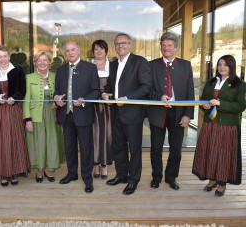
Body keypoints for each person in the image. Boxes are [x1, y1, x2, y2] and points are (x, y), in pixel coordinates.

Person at [102, 33, 151, 195]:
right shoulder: (114, 64)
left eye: (123, 43)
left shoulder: (140, 62)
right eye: (117, 43)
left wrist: (128, 98)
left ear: (130, 45)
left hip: (133, 113)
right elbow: (111, 85)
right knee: (119, 147)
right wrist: (106, 93)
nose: (120, 46)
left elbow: (146, 87)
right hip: (116, 112)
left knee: (135, 148)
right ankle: (121, 175)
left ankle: (133, 179)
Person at [147, 32, 195, 190]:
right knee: (155, 148)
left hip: (178, 113)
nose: (166, 48)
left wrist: (188, 114)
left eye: (169, 45)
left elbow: (190, 92)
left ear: (176, 47)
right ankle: (156, 177)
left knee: (176, 149)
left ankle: (171, 177)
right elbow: (147, 90)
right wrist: (159, 96)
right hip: (157, 113)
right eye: (163, 45)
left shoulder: (185, 65)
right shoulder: (152, 65)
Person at [192, 55, 246, 196]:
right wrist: (204, 106)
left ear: (231, 67)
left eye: (226, 65)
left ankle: (221, 183)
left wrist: (220, 103)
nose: (222, 67)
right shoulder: (211, 82)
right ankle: (212, 179)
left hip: (227, 126)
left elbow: (240, 106)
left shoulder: (239, 84)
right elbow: (203, 101)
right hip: (210, 124)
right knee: (210, 152)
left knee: (223, 154)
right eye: (220, 64)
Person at [54, 41, 100, 193]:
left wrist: (84, 99)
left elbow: (96, 91)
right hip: (67, 116)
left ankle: (87, 179)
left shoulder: (90, 68)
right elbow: (56, 92)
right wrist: (57, 98)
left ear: (79, 50)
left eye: (73, 50)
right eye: (67, 51)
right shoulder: (60, 70)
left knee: (86, 148)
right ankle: (71, 174)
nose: (70, 53)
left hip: (84, 114)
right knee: (69, 147)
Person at [0, 45, 30, 187]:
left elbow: (22, 90)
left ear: (9, 57)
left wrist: (15, 98)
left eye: (5, 56)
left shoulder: (18, 71)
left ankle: (14, 172)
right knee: (0, 141)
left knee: (15, 139)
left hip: (14, 110)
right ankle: (2, 173)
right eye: (0, 56)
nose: (3, 59)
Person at [23, 51, 64, 183]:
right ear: (35, 63)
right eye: (39, 60)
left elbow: (60, 95)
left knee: (51, 142)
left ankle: (49, 170)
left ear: (50, 63)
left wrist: (56, 104)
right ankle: (40, 171)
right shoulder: (29, 78)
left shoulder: (55, 76)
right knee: (39, 143)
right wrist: (27, 119)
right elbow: (26, 99)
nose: (42, 63)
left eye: (45, 60)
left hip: (52, 115)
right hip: (36, 115)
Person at [90, 40, 113, 179]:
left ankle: (104, 164)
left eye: (101, 48)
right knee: (92, 135)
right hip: (91, 105)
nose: (98, 51)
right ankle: (94, 164)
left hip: (107, 106)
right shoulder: (88, 66)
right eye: (96, 49)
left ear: (106, 51)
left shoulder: (113, 66)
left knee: (106, 134)